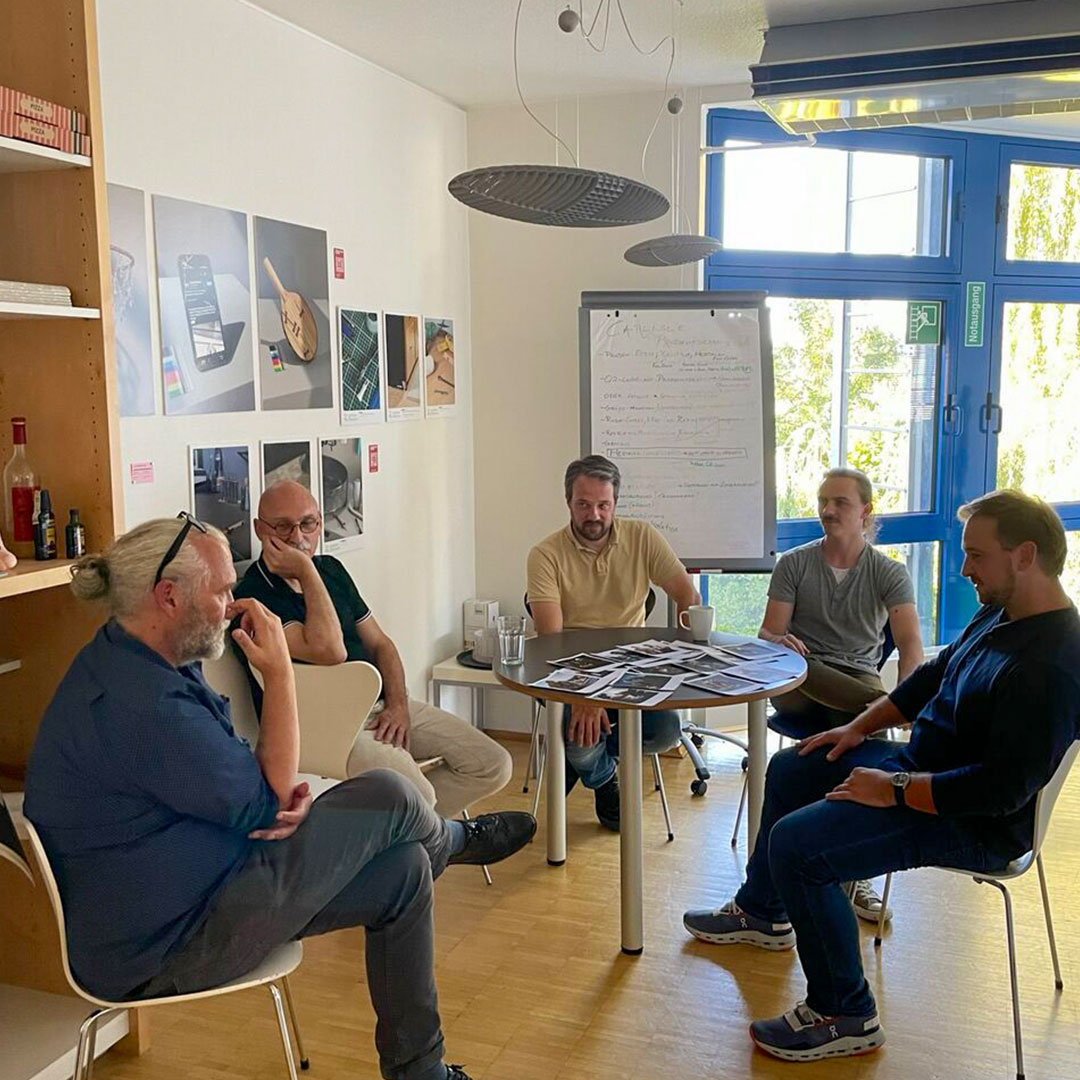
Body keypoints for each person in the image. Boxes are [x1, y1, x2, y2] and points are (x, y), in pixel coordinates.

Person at [24, 516, 535, 1080]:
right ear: (167, 597)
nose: (233, 603)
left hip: (198, 893)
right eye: (221, 591)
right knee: (391, 793)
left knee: (405, 868)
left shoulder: (130, 657)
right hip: (168, 944)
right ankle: (456, 840)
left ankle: (421, 1070)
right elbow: (269, 800)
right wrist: (281, 675)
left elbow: (248, 778)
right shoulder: (146, 707)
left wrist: (264, 795)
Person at [683, 490, 1080, 1064]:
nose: (964, 568)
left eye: (976, 556)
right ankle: (764, 913)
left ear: (1024, 555)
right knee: (793, 768)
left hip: (970, 819)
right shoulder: (1002, 611)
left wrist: (890, 788)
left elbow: (998, 792)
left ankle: (845, 1012)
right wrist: (856, 731)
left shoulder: (1052, 665)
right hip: (923, 771)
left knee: (798, 846)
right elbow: (930, 680)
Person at [233, 481, 512, 818]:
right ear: (259, 529)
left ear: (320, 523)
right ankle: (430, 838)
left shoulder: (331, 570)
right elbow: (329, 650)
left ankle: (408, 838)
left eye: (307, 523)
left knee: (492, 764)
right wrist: (306, 572)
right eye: (282, 526)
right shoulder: (254, 595)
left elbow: (381, 644)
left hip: (377, 704)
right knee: (418, 797)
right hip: (322, 725)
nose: (297, 537)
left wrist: (398, 704)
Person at [759, 467, 925, 923]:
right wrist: (777, 642)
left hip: (853, 681)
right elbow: (768, 635)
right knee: (866, 713)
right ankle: (877, 715)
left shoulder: (889, 573)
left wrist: (911, 695)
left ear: (866, 512)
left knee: (858, 743)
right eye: (823, 501)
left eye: (840, 503)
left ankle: (853, 873)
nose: (828, 511)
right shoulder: (794, 563)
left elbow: (910, 644)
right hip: (799, 683)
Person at [526, 454, 700, 830]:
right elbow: (552, 641)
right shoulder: (545, 554)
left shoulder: (642, 536)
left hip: (632, 667)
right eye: (584, 505)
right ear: (568, 502)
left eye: (604, 505)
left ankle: (588, 765)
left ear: (615, 503)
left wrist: (683, 653)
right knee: (580, 741)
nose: (594, 515)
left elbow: (688, 596)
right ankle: (603, 778)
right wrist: (589, 695)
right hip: (568, 669)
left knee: (668, 730)